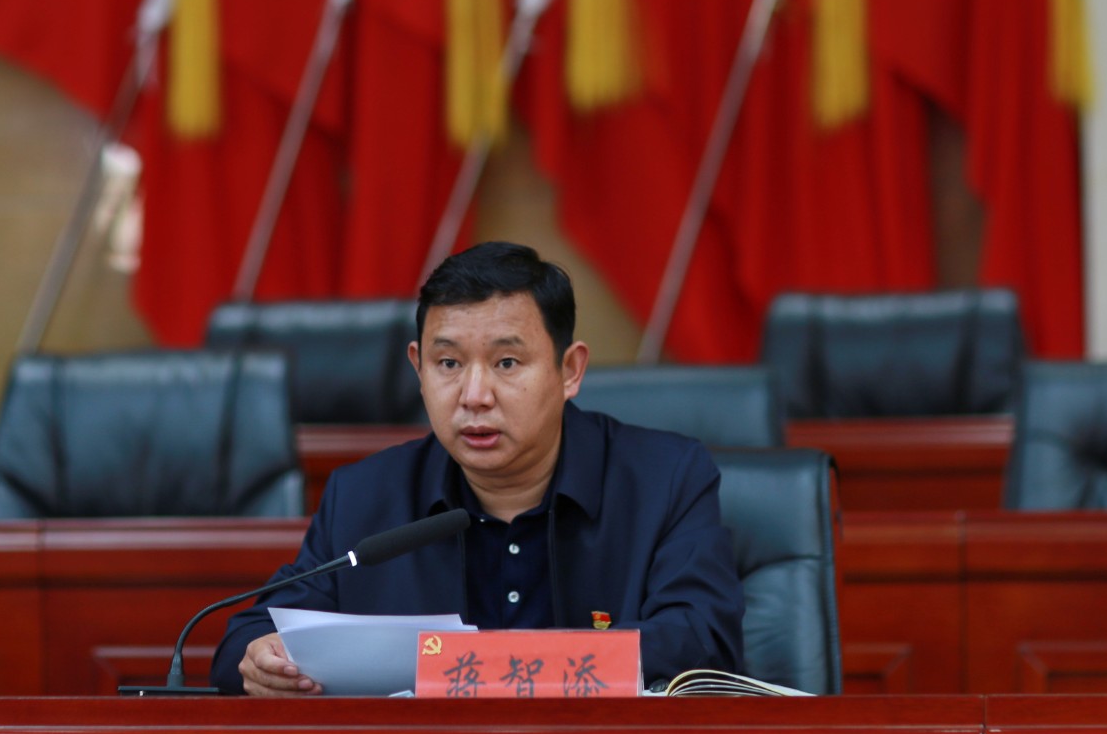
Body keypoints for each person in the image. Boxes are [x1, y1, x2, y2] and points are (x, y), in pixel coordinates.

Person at [212, 241, 744, 695]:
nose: (474, 395)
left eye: (506, 363)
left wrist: (490, 664)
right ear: (418, 367)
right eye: (448, 363)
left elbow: (703, 641)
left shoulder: (665, 479)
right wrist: (262, 660)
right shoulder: (365, 495)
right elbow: (248, 637)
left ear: (569, 370)